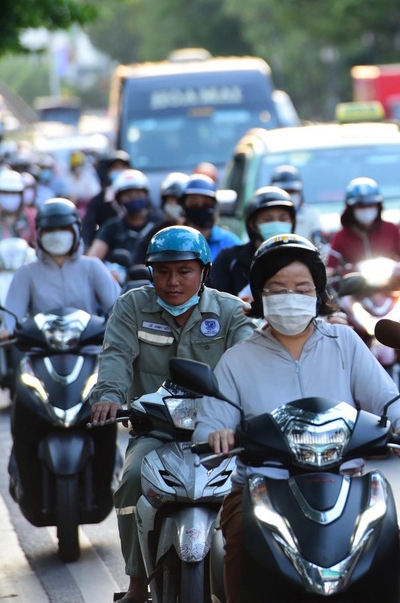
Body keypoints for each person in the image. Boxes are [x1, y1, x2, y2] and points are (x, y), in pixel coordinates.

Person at [194, 234, 400, 601]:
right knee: (240, 540)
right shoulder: (237, 358)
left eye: (302, 288)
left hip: (344, 482)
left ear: (318, 292)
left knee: (389, 538)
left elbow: (387, 399)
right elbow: (211, 421)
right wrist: (217, 434)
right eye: (278, 288)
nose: (291, 296)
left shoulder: (345, 343)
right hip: (261, 488)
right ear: (260, 294)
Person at [89, 226, 255, 603]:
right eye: (163, 272)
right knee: (131, 480)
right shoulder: (132, 305)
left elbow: (249, 362)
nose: (173, 281)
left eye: (184, 271)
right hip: (155, 431)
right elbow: (116, 354)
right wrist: (110, 396)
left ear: (204, 272)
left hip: (219, 434)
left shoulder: (229, 311)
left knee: (253, 489)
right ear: (151, 273)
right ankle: (136, 583)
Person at [0, 198, 119, 342]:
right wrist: (5, 330)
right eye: (49, 230)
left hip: (89, 350)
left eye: (64, 229)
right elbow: (11, 316)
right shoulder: (27, 273)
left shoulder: (92, 267)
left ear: (76, 230)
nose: (57, 235)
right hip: (41, 352)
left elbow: (118, 308)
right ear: (39, 233)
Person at [208, 186, 296, 298]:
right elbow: (212, 302)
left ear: (292, 222)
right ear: (252, 224)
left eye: (283, 219)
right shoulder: (229, 260)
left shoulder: (306, 257)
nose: (276, 224)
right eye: (268, 219)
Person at [325, 177, 400, 273]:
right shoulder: (340, 236)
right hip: (355, 286)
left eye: (370, 205)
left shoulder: (391, 229)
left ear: (378, 206)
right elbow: (331, 267)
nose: (366, 210)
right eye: (361, 206)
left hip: (392, 283)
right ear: (350, 209)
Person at [87, 169, 164, 262]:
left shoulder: (160, 224)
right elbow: (93, 258)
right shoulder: (112, 228)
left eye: (138, 193)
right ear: (119, 199)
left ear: (146, 195)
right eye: (128, 195)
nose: (134, 198)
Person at [0, 168, 36, 287]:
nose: (9, 197)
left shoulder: (32, 217)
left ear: (21, 195)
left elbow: (40, 245)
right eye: (4, 193)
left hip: (29, 277)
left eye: (14, 193)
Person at [179, 174, 241, 261]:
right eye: (193, 203)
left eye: (206, 203)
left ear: (214, 206)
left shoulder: (230, 243)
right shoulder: (174, 241)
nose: (200, 207)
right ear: (183, 206)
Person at [133, 172, 189, 265]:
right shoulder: (155, 235)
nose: (174, 204)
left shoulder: (202, 231)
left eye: (178, 200)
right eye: (170, 200)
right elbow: (139, 264)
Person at [82, 150, 132, 246]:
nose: (120, 171)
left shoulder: (139, 195)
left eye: (123, 167)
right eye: (115, 167)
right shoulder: (98, 200)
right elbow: (88, 227)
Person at [270, 164, 321, 242]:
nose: (289, 195)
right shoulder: (266, 216)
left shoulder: (311, 214)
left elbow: (318, 240)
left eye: (292, 191)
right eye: (284, 191)